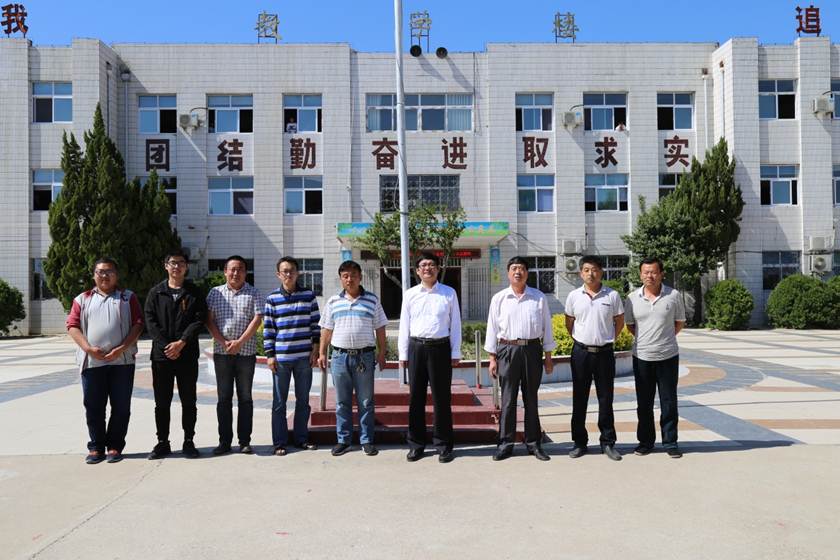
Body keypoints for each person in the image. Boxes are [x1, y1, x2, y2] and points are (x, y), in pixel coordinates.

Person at [66, 258, 144, 464]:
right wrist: (88, 349)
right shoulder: (82, 299)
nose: (104, 275)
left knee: (121, 406)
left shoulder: (128, 297)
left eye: (109, 271)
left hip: (122, 362)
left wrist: (121, 348)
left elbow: (138, 324)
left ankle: (115, 446)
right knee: (94, 406)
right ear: (94, 275)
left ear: (116, 275)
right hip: (92, 363)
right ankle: (96, 447)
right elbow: (72, 326)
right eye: (100, 272)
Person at [484, 256, 556, 461]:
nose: (518, 272)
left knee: (531, 398)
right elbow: (492, 328)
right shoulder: (499, 298)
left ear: (527, 273)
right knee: (508, 400)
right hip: (507, 350)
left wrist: (548, 357)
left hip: (532, 350)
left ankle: (533, 443)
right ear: (508, 273)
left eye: (522, 268)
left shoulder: (538, 297)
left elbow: (547, 327)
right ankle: (505, 444)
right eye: (514, 268)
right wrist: (492, 357)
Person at [318, 260, 388, 457]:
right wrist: (322, 353)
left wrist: (382, 352)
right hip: (339, 358)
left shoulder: (372, 300)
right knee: (342, 402)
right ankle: (344, 440)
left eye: (353, 275)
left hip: (364, 357)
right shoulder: (333, 302)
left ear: (360, 277)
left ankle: (367, 440)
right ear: (341, 279)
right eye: (345, 276)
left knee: (366, 401)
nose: (350, 279)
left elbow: (380, 328)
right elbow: (326, 329)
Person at [398, 252, 462, 463]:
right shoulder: (410, 294)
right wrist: (403, 353)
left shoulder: (448, 293)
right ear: (417, 271)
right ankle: (416, 445)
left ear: (438, 268)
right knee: (415, 398)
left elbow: (456, 324)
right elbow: (404, 325)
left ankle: (443, 445)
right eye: (423, 265)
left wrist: (455, 351)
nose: (427, 268)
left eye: (431, 264)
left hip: (440, 349)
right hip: (417, 348)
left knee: (442, 399)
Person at [144, 249, 207, 460]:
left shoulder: (194, 292)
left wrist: (181, 343)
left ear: (186, 267)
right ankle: (163, 442)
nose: (177, 266)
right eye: (173, 263)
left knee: (188, 400)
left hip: (187, 355)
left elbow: (199, 319)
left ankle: (189, 441)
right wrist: (167, 346)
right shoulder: (156, 293)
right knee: (162, 402)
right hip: (162, 357)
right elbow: (150, 321)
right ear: (166, 266)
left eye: (181, 263)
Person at [624, 257, 686, 459]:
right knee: (644, 403)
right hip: (642, 356)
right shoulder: (632, 298)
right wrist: (648, 341)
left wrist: (664, 338)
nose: (649, 276)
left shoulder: (673, 295)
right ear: (640, 274)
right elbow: (630, 325)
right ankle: (645, 442)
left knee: (669, 401)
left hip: (668, 356)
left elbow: (679, 322)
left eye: (653, 272)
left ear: (661, 274)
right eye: (646, 272)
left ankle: (670, 442)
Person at [564, 255, 625, 461]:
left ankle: (607, 442)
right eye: (587, 270)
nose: (591, 274)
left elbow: (619, 321)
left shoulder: (612, 296)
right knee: (579, 398)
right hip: (581, 353)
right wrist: (581, 339)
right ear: (581, 273)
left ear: (601, 272)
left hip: (605, 353)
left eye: (595, 270)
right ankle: (579, 442)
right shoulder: (574, 296)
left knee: (606, 398)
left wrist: (608, 338)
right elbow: (569, 322)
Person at [205, 255, 263, 456]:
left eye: (240, 269)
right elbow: (209, 320)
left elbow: (257, 320)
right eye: (232, 269)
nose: (236, 273)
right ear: (225, 272)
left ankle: (244, 441)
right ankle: (224, 442)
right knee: (224, 398)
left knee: (245, 397)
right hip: (222, 354)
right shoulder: (215, 293)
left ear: (246, 272)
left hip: (246, 353)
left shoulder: (254, 293)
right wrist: (223, 342)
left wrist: (240, 343)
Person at [264, 256, 321, 456]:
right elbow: (269, 329)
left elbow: (316, 325)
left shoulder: (309, 296)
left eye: (292, 271)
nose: (288, 274)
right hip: (281, 360)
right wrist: (270, 355)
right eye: (285, 271)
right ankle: (279, 442)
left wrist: (315, 350)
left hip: (304, 358)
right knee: (279, 403)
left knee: (303, 401)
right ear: (278, 274)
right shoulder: (272, 299)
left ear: (297, 273)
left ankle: (301, 439)